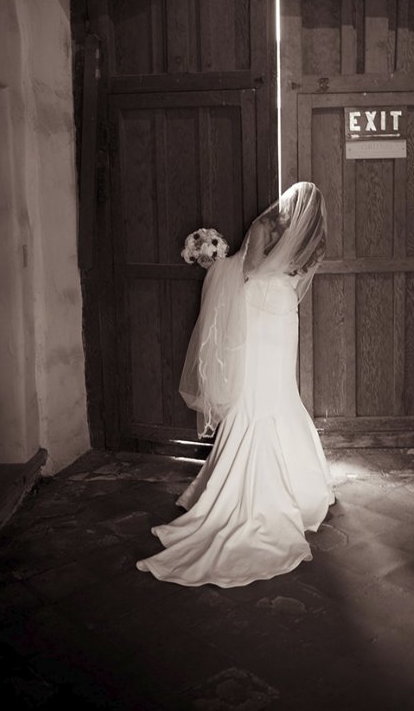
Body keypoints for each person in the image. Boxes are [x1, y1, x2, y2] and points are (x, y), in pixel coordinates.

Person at [136, 182, 335, 587]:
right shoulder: (315, 241)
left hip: (259, 309)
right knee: (280, 389)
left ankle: (244, 489)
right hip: (284, 313)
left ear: (288, 202)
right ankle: (302, 485)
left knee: (255, 390)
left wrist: (219, 264)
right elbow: (295, 280)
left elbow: (251, 271)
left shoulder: (264, 227)